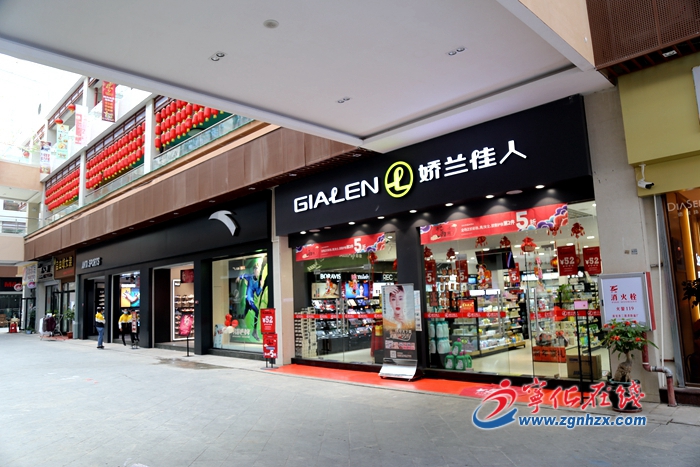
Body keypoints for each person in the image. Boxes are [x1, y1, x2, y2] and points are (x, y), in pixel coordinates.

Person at [236, 260, 263, 341]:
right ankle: (254, 332)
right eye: (256, 270)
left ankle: (236, 318)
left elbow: (257, 293)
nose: (257, 272)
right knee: (257, 311)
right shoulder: (250, 277)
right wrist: (239, 277)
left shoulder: (257, 283)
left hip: (251, 300)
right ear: (254, 270)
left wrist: (261, 286)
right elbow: (243, 275)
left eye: (258, 270)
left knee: (243, 315)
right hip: (248, 299)